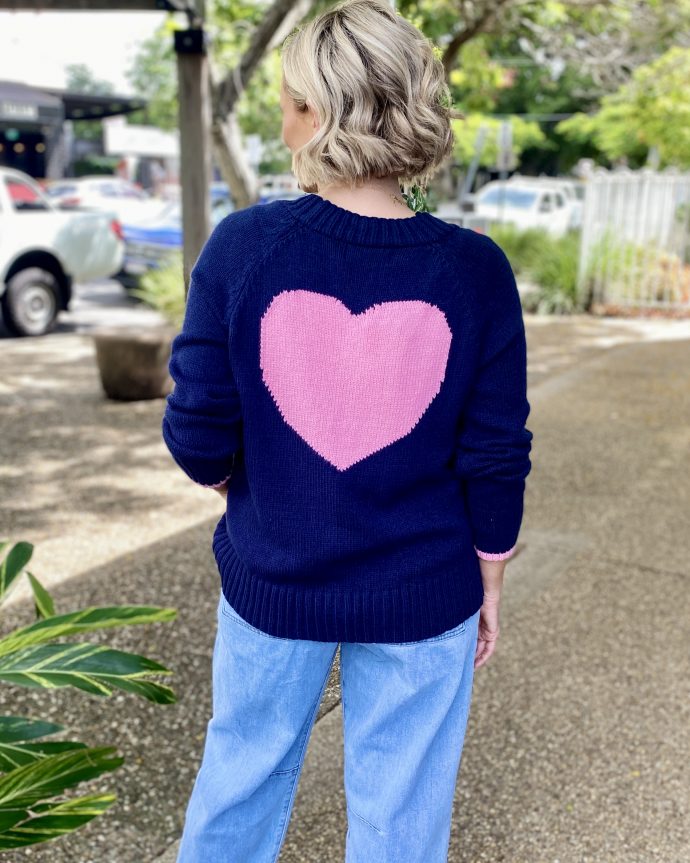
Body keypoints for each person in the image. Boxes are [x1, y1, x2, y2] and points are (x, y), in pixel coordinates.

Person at [162, 2, 533, 861]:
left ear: (318, 115)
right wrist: (493, 570)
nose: (280, 115)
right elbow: (494, 450)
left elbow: (198, 428)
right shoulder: (475, 269)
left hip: (272, 579)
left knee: (239, 780)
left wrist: (241, 484)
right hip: (425, 588)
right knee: (403, 817)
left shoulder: (244, 247)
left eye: (290, 98)